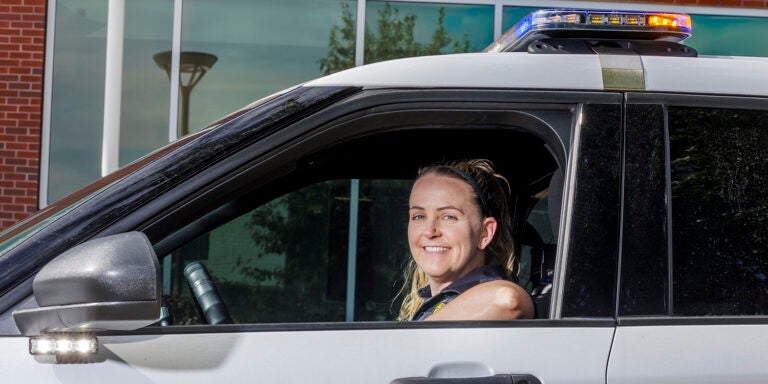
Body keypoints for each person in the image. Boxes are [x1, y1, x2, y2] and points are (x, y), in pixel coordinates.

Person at [397, 159, 534, 321]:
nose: (429, 231)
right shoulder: (433, 303)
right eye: (419, 216)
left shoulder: (492, 293)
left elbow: (507, 299)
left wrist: (412, 337)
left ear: (485, 232)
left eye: (448, 217)